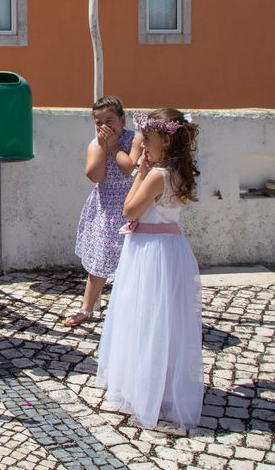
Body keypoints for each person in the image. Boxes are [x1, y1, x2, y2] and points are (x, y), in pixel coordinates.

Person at [96, 108, 203, 429]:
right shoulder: (180, 172)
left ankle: (144, 387)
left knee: (145, 318)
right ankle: (163, 383)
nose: (142, 147)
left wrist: (140, 172)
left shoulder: (157, 175)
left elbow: (129, 209)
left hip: (150, 253)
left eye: (149, 141)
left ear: (167, 141)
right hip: (170, 249)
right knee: (165, 319)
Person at [66, 96, 142, 326]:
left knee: (134, 258)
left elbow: (130, 169)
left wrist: (114, 146)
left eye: (109, 120)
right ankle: (86, 308)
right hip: (106, 206)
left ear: (122, 120)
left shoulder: (136, 139)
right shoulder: (95, 144)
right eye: (98, 122)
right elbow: (95, 176)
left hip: (133, 201)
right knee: (101, 257)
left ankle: (134, 307)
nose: (104, 126)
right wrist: (102, 147)